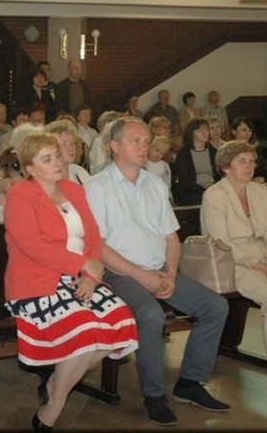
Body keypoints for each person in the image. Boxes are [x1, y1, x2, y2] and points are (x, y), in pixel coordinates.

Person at [85, 117, 230, 427]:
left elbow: (171, 239)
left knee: (215, 306)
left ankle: (189, 383)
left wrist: (171, 274)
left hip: (160, 269)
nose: (144, 146)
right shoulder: (97, 187)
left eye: (146, 141)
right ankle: (154, 396)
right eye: (135, 141)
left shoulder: (155, 184)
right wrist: (143, 276)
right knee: (151, 315)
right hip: (117, 274)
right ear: (114, 146)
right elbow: (99, 248)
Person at [4, 132, 138, 431]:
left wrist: (90, 275)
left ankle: (55, 382)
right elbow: (31, 245)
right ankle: (55, 404)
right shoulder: (21, 195)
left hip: (79, 276)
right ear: (30, 168)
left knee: (121, 322)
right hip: (37, 282)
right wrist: (81, 264)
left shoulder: (73, 190)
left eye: (57, 156)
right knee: (88, 331)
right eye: (47, 159)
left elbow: (93, 237)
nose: (57, 162)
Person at [200, 140, 267, 401]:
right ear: (226, 166)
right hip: (231, 263)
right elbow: (223, 243)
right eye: (242, 161)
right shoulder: (214, 196)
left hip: (265, 257)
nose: (249, 166)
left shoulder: (259, 191)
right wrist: (264, 268)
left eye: (251, 161)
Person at [230, 116, 267, 233]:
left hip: (259, 184)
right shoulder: (229, 151)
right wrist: (251, 181)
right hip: (240, 187)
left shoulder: (255, 149)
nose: (247, 133)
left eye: (249, 130)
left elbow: (263, 171)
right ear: (234, 131)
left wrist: (262, 179)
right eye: (243, 130)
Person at [171, 118, 219, 206]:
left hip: (214, 190)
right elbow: (184, 180)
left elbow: (220, 175)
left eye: (206, 129)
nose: (204, 133)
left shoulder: (214, 152)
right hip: (194, 193)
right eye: (199, 130)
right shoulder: (184, 154)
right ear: (191, 134)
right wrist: (204, 191)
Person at [45, 119, 90, 185]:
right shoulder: (45, 177)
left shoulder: (79, 172)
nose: (71, 148)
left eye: (72, 143)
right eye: (64, 144)